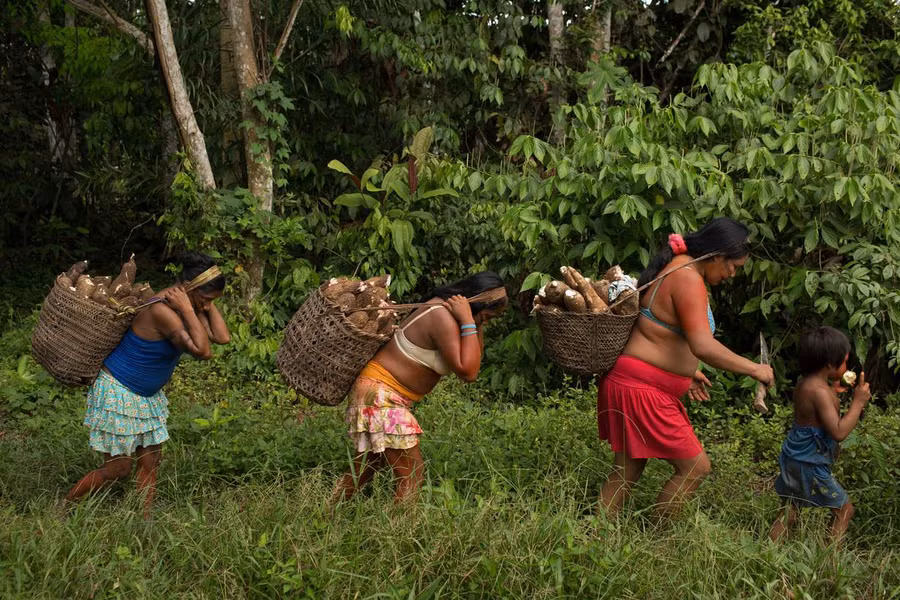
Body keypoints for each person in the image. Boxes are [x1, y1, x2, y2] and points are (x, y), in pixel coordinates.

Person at [598, 217, 775, 517]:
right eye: (733, 266)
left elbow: (658, 330)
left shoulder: (678, 267)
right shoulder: (688, 278)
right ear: (717, 255)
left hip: (631, 382)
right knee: (695, 467)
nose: (732, 274)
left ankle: (595, 533)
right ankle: (660, 536)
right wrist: (754, 369)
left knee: (627, 471)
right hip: (641, 390)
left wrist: (684, 371)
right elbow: (703, 346)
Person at [64, 252, 230, 516]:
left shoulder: (192, 304)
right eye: (207, 299)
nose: (208, 306)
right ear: (188, 288)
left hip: (145, 397)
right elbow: (204, 351)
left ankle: (144, 521)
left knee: (151, 463)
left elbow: (222, 337)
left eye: (213, 301)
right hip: (119, 391)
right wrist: (190, 308)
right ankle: (66, 506)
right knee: (118, 469)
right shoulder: (162, 310)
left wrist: (202, 303)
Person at [331, 271, 508, 505]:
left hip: (376, 393)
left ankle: (326, 513)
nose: (487, 320)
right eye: (488, 315)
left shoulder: (454, 315)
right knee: (412, 475)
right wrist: (468, 319)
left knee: (365, 467)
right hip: (380, 395)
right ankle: (401, 527)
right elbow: (469, 372)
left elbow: (474, 359)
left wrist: (475, 322)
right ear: (478, 302)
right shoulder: (441, 315)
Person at [768, 326, 870, 543]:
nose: (846, 367)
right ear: (830, 364)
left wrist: (835, 391)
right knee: (844, 510)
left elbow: (815, 412)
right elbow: (839, 432)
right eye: (844, 362)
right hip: (810, 463)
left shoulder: (805, 384)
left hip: (795, 458)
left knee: (790, 510)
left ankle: (768, 551)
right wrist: (858, 403)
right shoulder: (820, 392)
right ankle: (828, 558)